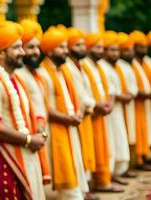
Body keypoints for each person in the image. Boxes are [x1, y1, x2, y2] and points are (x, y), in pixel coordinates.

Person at [0, 21, 46, 200]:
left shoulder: (14, 79)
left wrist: (38, 129)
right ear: (0, 53)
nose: (22, 52)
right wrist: (29, 139)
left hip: (24, 154)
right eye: (16, 48)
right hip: (7, 162)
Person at [37, 26, 88, 199]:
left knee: (73, 164)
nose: (66, 51)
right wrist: (68, 118)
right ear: (50, 51)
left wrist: (77, 114)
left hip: (69, 125)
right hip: (54, 130)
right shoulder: (43, 73)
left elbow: (73, 98)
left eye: (66, 46)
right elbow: (45, 108)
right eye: (62, 47)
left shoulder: (63, 71)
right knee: (61, 168)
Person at [81, 33, 122, 192]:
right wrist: (97, 106)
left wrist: (109, 103)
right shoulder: (84, 66)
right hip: (92, 114)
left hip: (103, 113)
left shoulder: (100, 66)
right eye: (98, 47)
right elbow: (82, 93)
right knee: (92, 149)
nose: (101, 51)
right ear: (89, 48)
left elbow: (110, 89)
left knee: (106, 147)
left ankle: (105, 180)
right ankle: (95, 185)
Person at [13, 19, 51, 185]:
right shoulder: (18, 75)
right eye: (30, 47)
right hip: (27, 137)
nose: (36, 52)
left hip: (40, 131)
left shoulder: (34, 73)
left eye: (37, 47)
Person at [65, 27, 98, 200]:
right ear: (69, 48)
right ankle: (83, 191)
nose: (82, 48)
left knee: (85, 151)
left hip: (85, 114)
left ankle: (85, 190)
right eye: (78, 45)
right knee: (79, 153)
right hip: (78, 115)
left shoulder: (81, 67)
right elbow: (78, 94)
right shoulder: (69, 68)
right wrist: (92, 104)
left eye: (83, 45)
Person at [97, 31, 130, 185]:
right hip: (107, 110)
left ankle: (117, 173)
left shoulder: (114, 67)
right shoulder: (102, 67)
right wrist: (115, 99)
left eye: (117, 50)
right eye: (112, 50)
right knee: (111, 141)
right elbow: (111, 91)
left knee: (118, 140)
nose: (115, 53)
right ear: (105, 51)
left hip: (115, 110)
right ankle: (109, 175)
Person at [115, 33, 138, 174]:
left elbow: (134, 87)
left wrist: (130, 94)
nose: (130, 52)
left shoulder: (125, 66)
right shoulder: (115, 66)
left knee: (127, 136)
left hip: (128, 106)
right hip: (116, 108)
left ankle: (128, 167)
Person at [129, 30, 151, 170]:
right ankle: (139, 160)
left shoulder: (147, 62)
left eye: (144, 47)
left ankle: (147, 156)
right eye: (140, 47)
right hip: (137, 103)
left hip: (147, 103)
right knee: (138, 130)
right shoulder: (131, 65)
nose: (143, 50)